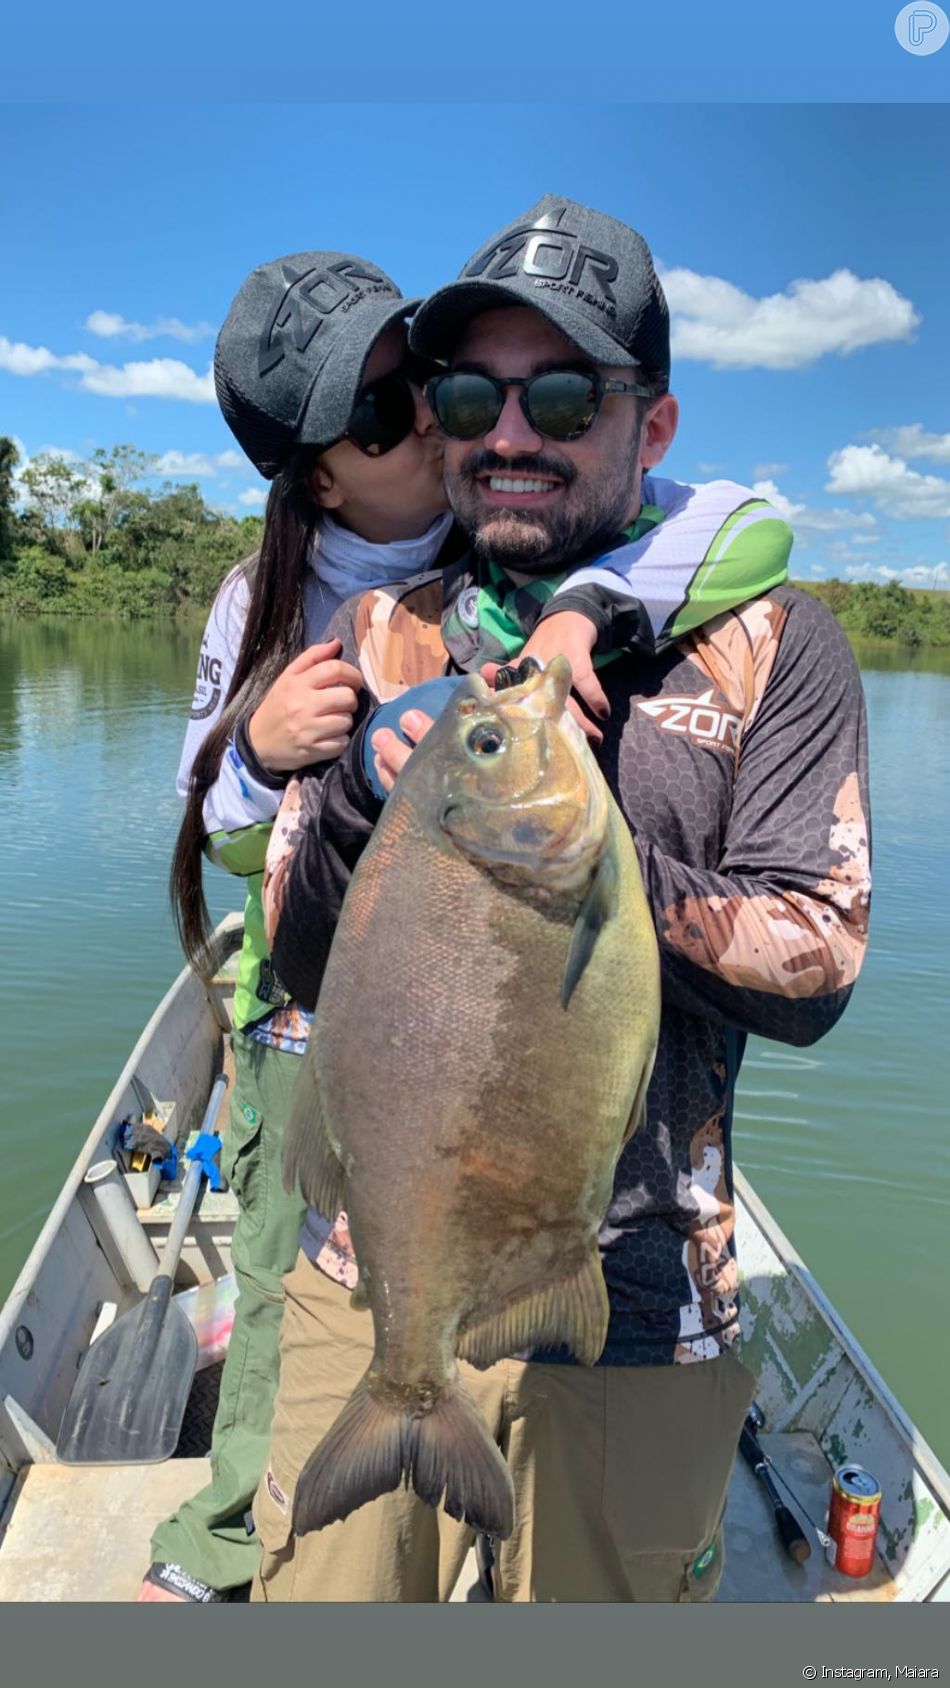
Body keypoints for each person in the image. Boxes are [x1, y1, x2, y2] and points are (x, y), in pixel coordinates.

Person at [249, 195, 871, 1603]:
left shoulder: (776, 646)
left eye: (564, 395)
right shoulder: (387, 622)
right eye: (468, 394)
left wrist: (573, 872)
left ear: (649, 425)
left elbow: (819, 959)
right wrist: (355, 808)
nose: (508, 432)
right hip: (373, 1280)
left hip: (637, 1314)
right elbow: (293, 956)